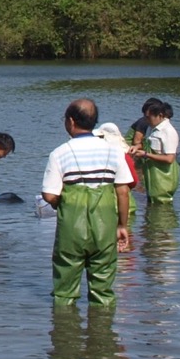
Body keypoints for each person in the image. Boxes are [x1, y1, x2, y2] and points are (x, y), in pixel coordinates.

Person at [42, 97, 133, 305]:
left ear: (71, 121)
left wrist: (63, 203)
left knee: (65, 289)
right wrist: (122, 225)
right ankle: (102, 334)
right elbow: (122, 191)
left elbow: (48, 195)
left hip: (71, 228)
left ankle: (65, 332)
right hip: (105, 226)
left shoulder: (59, 153)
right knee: (103, 288)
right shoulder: (114, 151)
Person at [133, 98, 180, 203]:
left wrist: (146, 154)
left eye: (148, 117)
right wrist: (137, 147)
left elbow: (170, 158)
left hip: (163, 178)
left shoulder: (168, 132)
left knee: (162, 207)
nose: (146, 120)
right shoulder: (153, 128)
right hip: (153, 178)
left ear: (160, 115)